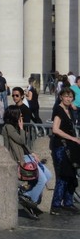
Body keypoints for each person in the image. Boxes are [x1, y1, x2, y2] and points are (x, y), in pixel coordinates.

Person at [2, 106, 50, 216]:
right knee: (42, 180)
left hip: (27, 155)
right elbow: (21, 140)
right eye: (19, 113)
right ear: (14, 115)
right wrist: (22, 128)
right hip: (21, 158)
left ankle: (27, 195)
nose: (21, 115)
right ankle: (31, 202)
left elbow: (23, 145)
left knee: (48, 175)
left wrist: (32, 153)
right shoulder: (8, 127)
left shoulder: (14, 126)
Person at [49, 87, 80, 215]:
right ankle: (56, 205)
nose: (68, 99)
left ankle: (68, 202)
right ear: (61, 97)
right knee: (62, 175)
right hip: (61, 146)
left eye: (70, 97)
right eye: (66, 96)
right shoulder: (58, 110)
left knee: (71, 175)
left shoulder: (69, 110)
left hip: (70, 147)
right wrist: (72, 138)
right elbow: (55, 129)